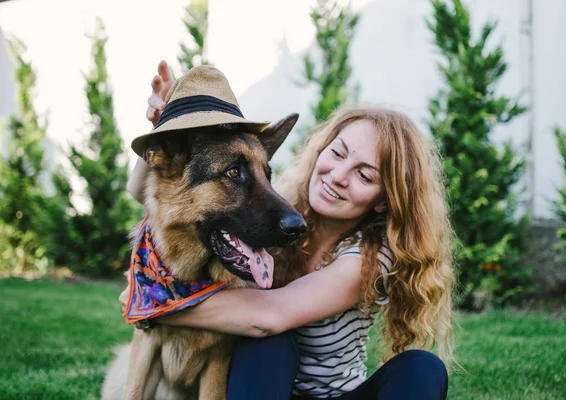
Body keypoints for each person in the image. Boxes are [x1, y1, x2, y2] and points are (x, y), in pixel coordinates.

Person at [122, 60, 455, 399]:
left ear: (384, 200)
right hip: (268, 389)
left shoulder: (370, 257)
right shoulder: (278, 213)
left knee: (421, 368)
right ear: (321, 149)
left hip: (335, 395)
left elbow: (270, 315)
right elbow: (159, 197)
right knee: (268, 345)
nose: (339, 175)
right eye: (338, 153)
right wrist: (162, 130)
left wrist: (150, 305)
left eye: (364, 175)